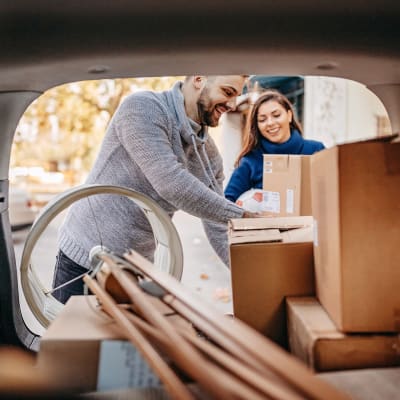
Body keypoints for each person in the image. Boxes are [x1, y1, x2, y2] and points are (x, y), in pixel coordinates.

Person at [52, 75, 258, 304]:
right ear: (199, 79)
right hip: (84, 256)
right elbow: (171, 184)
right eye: (228, 92)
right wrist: (245, 216)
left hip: (133, 267)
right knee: (72, 338)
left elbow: (218, 226)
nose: (232, 104)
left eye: (236, 96)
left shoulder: (209, 156)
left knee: (120, 340)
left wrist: (253, 279)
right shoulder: (142, 109)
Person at [224, 90, 325, 202]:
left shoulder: (316, 150)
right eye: (262, 120)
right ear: (257, 126)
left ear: (289, 115)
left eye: (276, 115)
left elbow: (333, 190)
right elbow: (227, 202)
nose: (270, 123)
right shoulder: (250, 160)